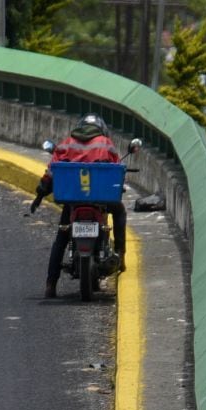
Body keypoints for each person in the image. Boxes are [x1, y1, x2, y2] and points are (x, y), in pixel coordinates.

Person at [31, 115, 127, 298]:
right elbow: (116, 169)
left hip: (73, 201)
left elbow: (52, 171)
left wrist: (41, 192)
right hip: (100, 198)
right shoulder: (105, 143)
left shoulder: (67, 143)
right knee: (120, 211)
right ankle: (120, 255)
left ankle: (51, 284)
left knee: (61, 238)